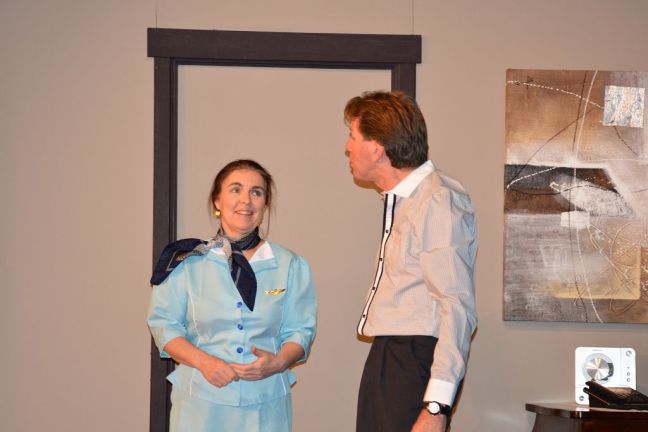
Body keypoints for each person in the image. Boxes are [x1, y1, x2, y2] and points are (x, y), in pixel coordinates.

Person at [147, 159, 317, 432]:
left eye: (256, 192)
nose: (246, 201)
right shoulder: (185, 262)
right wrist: (205, 363)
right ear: (217, 201)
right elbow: (163, 325)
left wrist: (277, 363)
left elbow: (301, 331)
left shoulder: (290, 265)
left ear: (265, 204)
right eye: (235, 190)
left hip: (266, 405)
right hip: (200, 405)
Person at [344, 91, 477, 432]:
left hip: (414, 359)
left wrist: (436, 407)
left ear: (377, 148)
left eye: (353, 136)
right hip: (391, 355)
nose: (347, 147)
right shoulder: (409, 200)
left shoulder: (438, 200)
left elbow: (457, 306)